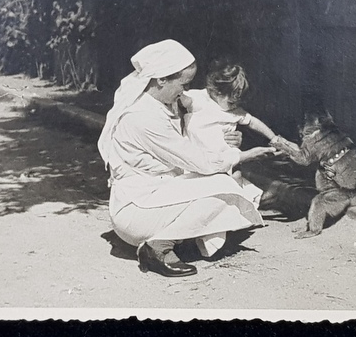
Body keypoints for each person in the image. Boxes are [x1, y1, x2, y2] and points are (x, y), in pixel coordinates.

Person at [97, 39, 277, 278]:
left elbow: (204, 126)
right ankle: (158, 247)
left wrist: (228, 138)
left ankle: (186, 239)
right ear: (161, 79)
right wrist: (242, 156)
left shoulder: (165, 101)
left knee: (225, 186)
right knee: (225, 189)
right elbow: (197, 160)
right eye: (184, 83)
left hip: (157, 192)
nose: (186, 89)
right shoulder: (142, 116)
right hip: (137, 210)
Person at [180, 58, 300, 208]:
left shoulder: (234, 111)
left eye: (237, 103)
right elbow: (177, 98)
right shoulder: (198, 100)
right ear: (216, 91)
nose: (234, 107)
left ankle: (243, 206)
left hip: (228, 158)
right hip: (203, 159)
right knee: (207, 190)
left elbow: (253, 122)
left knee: (236, 178)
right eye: (231, 102)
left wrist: (274, 139)